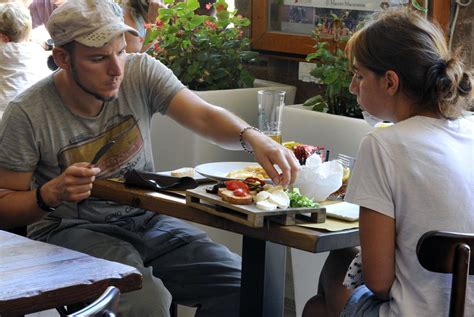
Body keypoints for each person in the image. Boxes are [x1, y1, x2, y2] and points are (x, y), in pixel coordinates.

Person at [0, 0, 300, 316]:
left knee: (247, 288)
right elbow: (4, 206)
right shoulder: (28, 113)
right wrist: (50, 193)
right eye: (99, 58)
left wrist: (252, 137)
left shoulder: (141, 71)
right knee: (146, 301)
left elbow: (204, 116)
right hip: (68, 231)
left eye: (120, 51)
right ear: (62, 57)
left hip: (148, 218)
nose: (116, 69)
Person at [303, 8, 473, 317]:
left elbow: (380, 282)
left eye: (359, 75)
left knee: (333, 273)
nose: (353, 87)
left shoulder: (383, 145)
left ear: (390, 82)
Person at [0, 2, 51, 119]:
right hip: (38, 111)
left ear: (3, 38)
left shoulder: (3, 51)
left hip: (6, 114)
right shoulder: (36, 50)